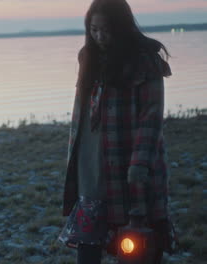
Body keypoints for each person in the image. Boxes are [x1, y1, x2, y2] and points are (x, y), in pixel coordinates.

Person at [57, 0, 178, 263]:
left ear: (121, 27)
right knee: (87, 250)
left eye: (106, 30)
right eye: (94, 30)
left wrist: (139, 164)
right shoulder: (87, 57)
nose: (99, 36)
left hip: (131, 167)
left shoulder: (145, 61)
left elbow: (151, 118)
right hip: (91, 171)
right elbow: (81, 113)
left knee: (139, 248)